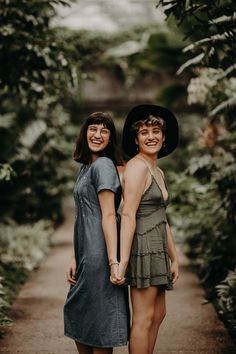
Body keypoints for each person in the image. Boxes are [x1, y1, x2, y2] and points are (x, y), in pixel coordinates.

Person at [64, 112, 130, 354]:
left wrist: (114, 262)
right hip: (85, 254)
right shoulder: (86, 167)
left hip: (99, 256)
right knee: (81, 315)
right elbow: (81, 215)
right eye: (93, 129)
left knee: (100, 324)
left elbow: (110, 215)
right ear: (85, 133)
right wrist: (74, 256)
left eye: (104, 130)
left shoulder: (103, 165)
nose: (97, 134)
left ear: (110, 138)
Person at [118, 105, 179, 354]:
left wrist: (174, 258)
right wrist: (121, 262)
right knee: (143, 318)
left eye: (156, 131)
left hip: (157, 248)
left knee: (158, 315)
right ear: (136, 139)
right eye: (144, 132)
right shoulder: (137, 167)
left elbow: (162, 219)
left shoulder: (157, 170)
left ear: (164, 137)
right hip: (142, 247)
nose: (151, 136)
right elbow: (128, 215)